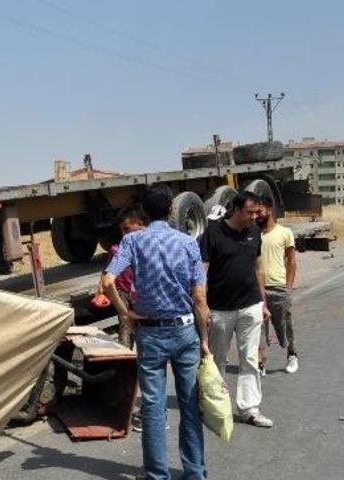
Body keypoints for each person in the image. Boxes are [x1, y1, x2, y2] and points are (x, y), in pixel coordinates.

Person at [102, 184, 209, 480]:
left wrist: (125, 314)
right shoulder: (188, 243)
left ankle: (157, 475)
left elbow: (108, 281)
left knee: (152, 406)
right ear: (171, 209)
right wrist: (205, 341)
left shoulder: (133, 242)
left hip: (149, 333)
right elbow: (199, 298)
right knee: (189, 405)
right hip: (185, 330)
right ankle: (195, 472)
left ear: (144, 213)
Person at [199, 191, 274, 428]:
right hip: (220, 309)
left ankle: (249, 408)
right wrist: (203, 307)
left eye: (257, 212)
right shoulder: (213, 233)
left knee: (249, 358)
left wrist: (263, 302)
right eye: (250, 212)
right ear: (237, 209)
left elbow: (258, 268)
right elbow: (203, 272)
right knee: (217, 359)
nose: (255, 217)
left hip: (250, 306)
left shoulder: (254, 232)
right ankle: (217, 407)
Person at [256, 196, 299, 376]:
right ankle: (260, 363)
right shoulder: (253, 234)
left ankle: (292, 354)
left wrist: (288, 288)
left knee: (284, 325)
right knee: (258, 328)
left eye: (260, 211)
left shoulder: (284, 233)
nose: (257, 215)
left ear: (270, 209)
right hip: (258, 290)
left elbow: (292, 261)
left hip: (279, 288)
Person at [98, 207, 146, 348]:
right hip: (122, 293)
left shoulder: (147, 248)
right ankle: (125, 355)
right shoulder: (116, 250)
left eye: (127, 229)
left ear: (140, 225)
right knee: (125, 325)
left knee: (141, 326)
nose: (124, 234)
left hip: (138, 293)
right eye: (122, 230)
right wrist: (100, 290)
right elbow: (106, 272)